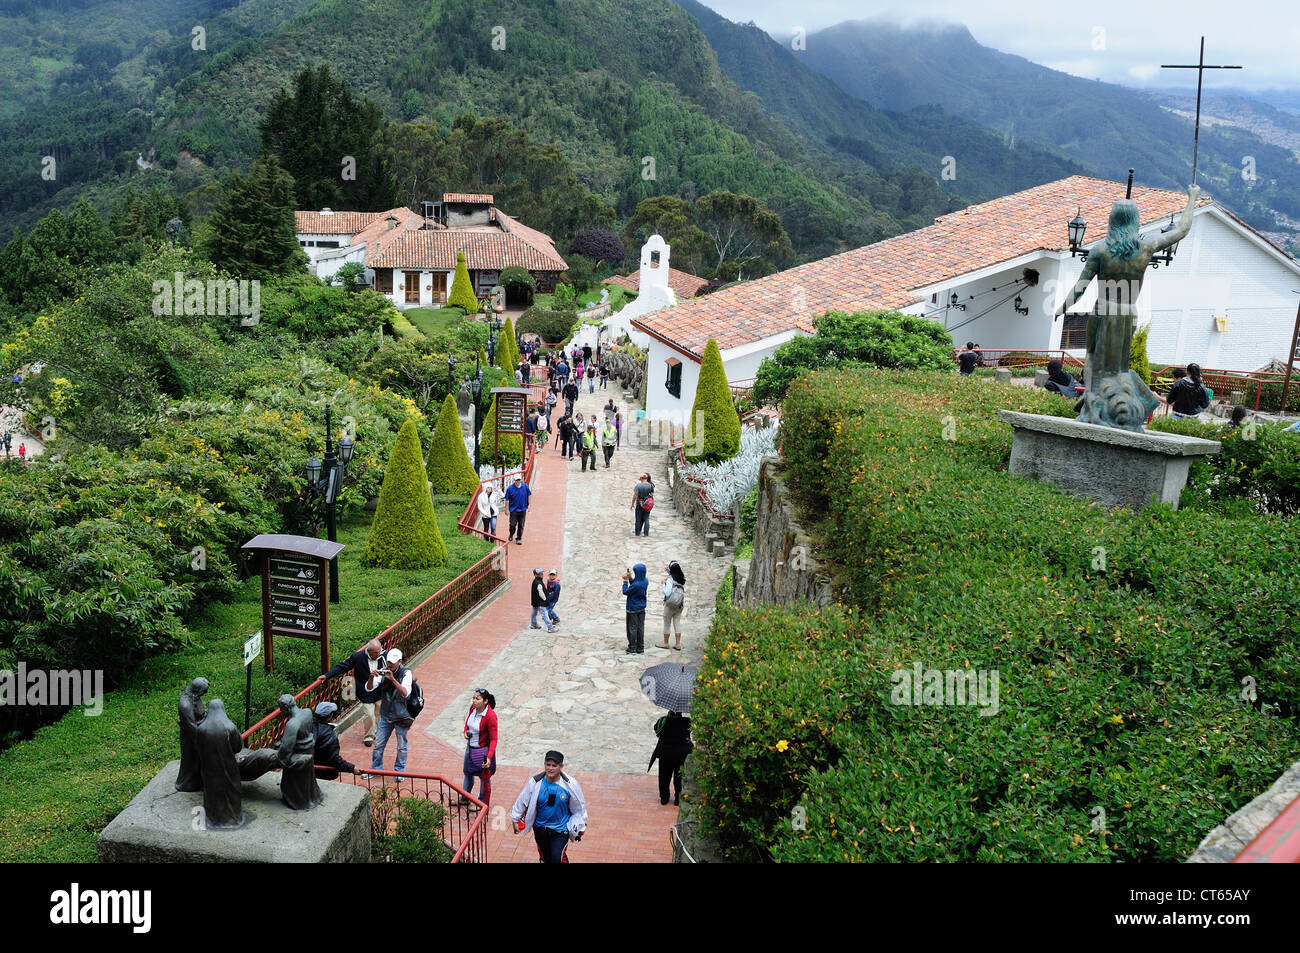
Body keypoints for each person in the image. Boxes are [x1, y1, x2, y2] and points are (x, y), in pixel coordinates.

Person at [510, 750, 588, 864]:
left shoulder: (570, 785)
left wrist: (583, 824)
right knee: (546, 858)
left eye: (554, 766)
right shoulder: (535, 782)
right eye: (548, 765)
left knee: (556, 858)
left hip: (561, 830)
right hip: (540, 828)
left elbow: (579, 806)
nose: (550, 768)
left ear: (561, 767)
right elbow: (522, 800)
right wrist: (515, 818)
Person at [324, 638, 385, 747]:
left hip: (380, 690)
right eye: (375, 652)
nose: (378, 654)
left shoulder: (384, 655)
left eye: (379, 651)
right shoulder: (358, 657)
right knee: (369, 714)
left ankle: (376, 731)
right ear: (369, 651)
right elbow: (342, 667)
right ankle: (369, 736)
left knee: (378, 713)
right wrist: (326, 676)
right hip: (365, 692)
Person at [371, 648, 413, 774]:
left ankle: (400, 770)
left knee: (401, 746)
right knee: (378, 744)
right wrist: (371, 677)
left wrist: (393, 679)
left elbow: (405, 693)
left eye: (393, 662)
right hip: (386, 715)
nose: (390, 664)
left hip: (401, 716)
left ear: (399, 661)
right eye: (388, 661)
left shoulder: (406, 673)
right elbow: (369, 688)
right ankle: (376, 768)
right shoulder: (383, 670)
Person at [459, 689, 498, 808]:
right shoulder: (473, 708)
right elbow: (468, 722)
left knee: (484, 776)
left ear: (485, 701)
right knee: (467, 772)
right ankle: (465, 798)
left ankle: (481, 802)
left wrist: (489, 757)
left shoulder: (490, 716)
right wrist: (466, 731)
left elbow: (494, 739)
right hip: (470, 748)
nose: (474, 701)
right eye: (473, 698)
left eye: (477, 699)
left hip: (483, 751)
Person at [648, 711, 693, 806]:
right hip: (681, 755)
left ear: (670, 712)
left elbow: (656, 730)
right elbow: (689, 731)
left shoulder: (662, 721)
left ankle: (664, 798)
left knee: (664, 776)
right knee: (679, 777)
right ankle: (678, 798)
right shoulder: (687, 721)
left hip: (665, 753)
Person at [311, 701, 359, 781]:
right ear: (330, 716)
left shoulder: (308, 727)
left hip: (308, 770)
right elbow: (334, 759)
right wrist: (352, 768)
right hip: (322, 774)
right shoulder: (329, 734)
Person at [622, 563, 649, 654]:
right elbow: (635, 583)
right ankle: (640, 647)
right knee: (640, 628)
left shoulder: (636, 585)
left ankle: (632, 647)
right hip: (641, 607)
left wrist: (625, 581)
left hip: (633, 608)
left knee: (632, 628)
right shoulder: (645, 581)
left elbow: (626, 592)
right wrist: (630, 578)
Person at [660, 561, 686, 651]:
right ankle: (678, 644)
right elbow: (674, 575)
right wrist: (669, 571)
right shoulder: (682, 578)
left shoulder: (669, 580)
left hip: (670, 605)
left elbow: (667, 593)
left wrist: (663, 583)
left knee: (667, 623)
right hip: (679, 604)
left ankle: (666, 643)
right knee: (677, 622)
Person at [505, 474, 531, 544]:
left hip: (523, 509)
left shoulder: (525, 486)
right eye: (516, 480)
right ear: (514, 481)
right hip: (513, 510)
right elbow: (507, 500)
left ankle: (519, 538)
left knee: (521, 524)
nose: (518, 481)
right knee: (512, 525)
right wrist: (506, 509)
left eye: (519, 480)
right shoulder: (510, 489)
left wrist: (529, 505)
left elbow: (529, 495)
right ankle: (511, 533)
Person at [530, 567, 556, 632]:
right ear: (535, 575)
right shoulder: (539, 583)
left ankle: (533, 624)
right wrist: (545, 599)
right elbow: (540, 592)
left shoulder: (535, 581)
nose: (541, 574)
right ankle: (550, 627)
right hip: (540, 602)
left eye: (541, 573)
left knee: (534, 612)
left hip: (535, 601)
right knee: (545, 614)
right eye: (539, 574)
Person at [631, 472, 654, 537]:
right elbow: (652, 494)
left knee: (638, 519)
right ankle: (646, 533)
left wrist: (632, 504)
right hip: (647, 504)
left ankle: (637, 533)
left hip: (639, 504)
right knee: (646, 518)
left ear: (641, 478)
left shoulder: (638, 486)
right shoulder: (651, 485)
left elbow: (635, 495)